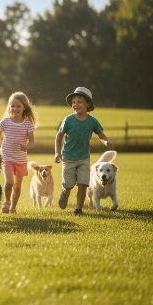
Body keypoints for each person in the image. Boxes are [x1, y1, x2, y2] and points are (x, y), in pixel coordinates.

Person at [54, 87, 114, 215]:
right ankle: (65, 191)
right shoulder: (68, 119)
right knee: (69, 184)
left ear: (88, 104)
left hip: (84, 158)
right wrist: (57, 152)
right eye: (74, 102)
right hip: (68, 157)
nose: (76, 104)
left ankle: (78, 209)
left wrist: (106, 142)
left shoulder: (92, 121)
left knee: (83, 184)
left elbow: (101, 135)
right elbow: (59, 136)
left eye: (79, 102)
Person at [0, 92, 38, 214]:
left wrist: (27, 146)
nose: (15, 109)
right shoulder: (5, 121)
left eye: (18, 106)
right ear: (9, 107)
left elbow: (32, 140)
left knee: (17, 186)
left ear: (24, 108)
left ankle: (13, 207)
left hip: (21, 159)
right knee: (9, 182)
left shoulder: (27, 123)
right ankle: (7, 201)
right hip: (6, 156)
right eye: (12, 106)